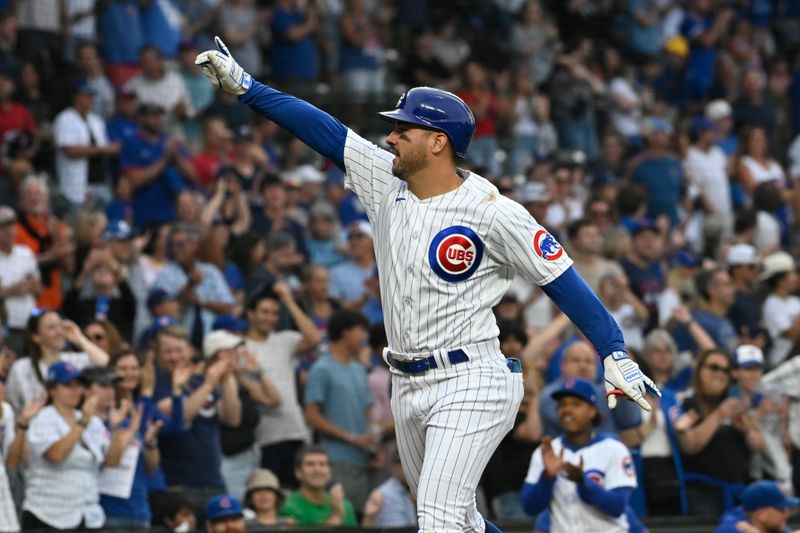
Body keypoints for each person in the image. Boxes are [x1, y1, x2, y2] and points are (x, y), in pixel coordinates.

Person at [195, 39, 659, 532]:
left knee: (436, 520)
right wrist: (248, 89)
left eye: (403, 129)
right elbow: (325, 131)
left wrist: (613, 350)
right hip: (406, 380)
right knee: (459, 519)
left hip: (472, 377)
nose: (390, 138)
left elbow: (561, 279)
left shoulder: (493, 212)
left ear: (438, 141)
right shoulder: (384, 182)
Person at [521, 377, 638, 533]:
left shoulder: (614, 449)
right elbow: (529, 507)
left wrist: (583, 482)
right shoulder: (547, 452)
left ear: (592, 411)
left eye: (576, 404)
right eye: (562, 405)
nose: (567, 410)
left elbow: (617, 507)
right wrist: (547, 478)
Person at [22, 361, 129, 530]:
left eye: (78, 385)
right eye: (67, 385)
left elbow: (112, 461)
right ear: (52, 390)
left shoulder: (93, 421)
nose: (75, 390)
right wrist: (83, 422)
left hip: (88, 514)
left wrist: (115, 428)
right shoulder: (44, 418)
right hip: (47, 514)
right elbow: (55, 455)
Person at [244, 284, 319, 489]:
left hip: (297, 430)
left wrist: (288, 301)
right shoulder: (241, 348)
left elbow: (314, 338)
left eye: (275, 313)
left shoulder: (285, 339)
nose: (270, 318)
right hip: (266, 436)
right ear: (250, 314)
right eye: (264, 312)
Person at [303, 309, 378, 512]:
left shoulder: (359, 368)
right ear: (346, 332)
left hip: (364, 459)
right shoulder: (321, 369)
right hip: (336, 460)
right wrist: (351, 438)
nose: (364, 337)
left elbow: (366, 411)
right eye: (361, 330)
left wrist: (373, 446)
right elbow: (311, 416)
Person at [676, 348, 765, 516]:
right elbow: (690, 446)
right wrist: (719, 415)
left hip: (740, 493)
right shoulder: (687, 403)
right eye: (714, 368)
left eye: (725, 370)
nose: (720, 374)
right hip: (703, 494)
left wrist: (746, 430)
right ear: (699, 370)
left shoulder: (735, 404)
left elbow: (759, 445)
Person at [6, 309, 109, 412]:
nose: (59, 331)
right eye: (51, 327)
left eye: (61, 325)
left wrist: (79, 338)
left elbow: (106, 364)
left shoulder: (73, 360)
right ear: (36, 337)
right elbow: (12, 403)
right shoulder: (21, 367)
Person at [279, 444, 358, 526]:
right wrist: (336, 516)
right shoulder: (287, 506)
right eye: (310, 464)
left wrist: (368, 517)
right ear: (298, 473)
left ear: (330, 472)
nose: (317, 470)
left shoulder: (345, 505)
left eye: (322, 464)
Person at [0, 205, 40, 354]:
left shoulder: (26, 253)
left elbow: (39, 289)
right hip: (7, 327)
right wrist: (14, 289)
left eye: (12, 226)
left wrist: (33, 286)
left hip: (30, 323)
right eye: (4, 227)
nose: (10, 231)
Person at [714, 480, 799, 533]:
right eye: (781, 509)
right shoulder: (732, 528)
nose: (786, 514)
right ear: (760, 514)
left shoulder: (774, 527)